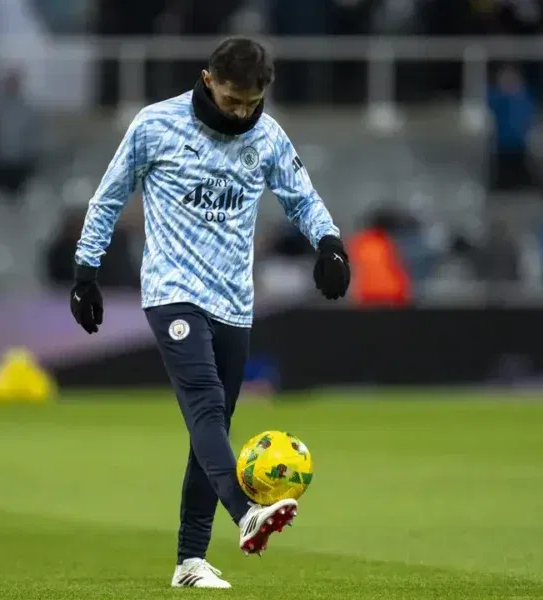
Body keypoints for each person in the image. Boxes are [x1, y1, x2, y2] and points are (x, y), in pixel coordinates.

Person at [69, 37, 350, 588]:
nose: (241, 113)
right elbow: (108, 197)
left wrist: (331, 244)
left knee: (213, 427)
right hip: (172, 290)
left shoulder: (267, 137)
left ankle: (189, 562)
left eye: (251, 103)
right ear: (207, 80)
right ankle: (246, 513)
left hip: (234, 302)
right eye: (231, 100)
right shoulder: (155, 125)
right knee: (204, 403)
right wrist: (85, 271)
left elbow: (301, 197)